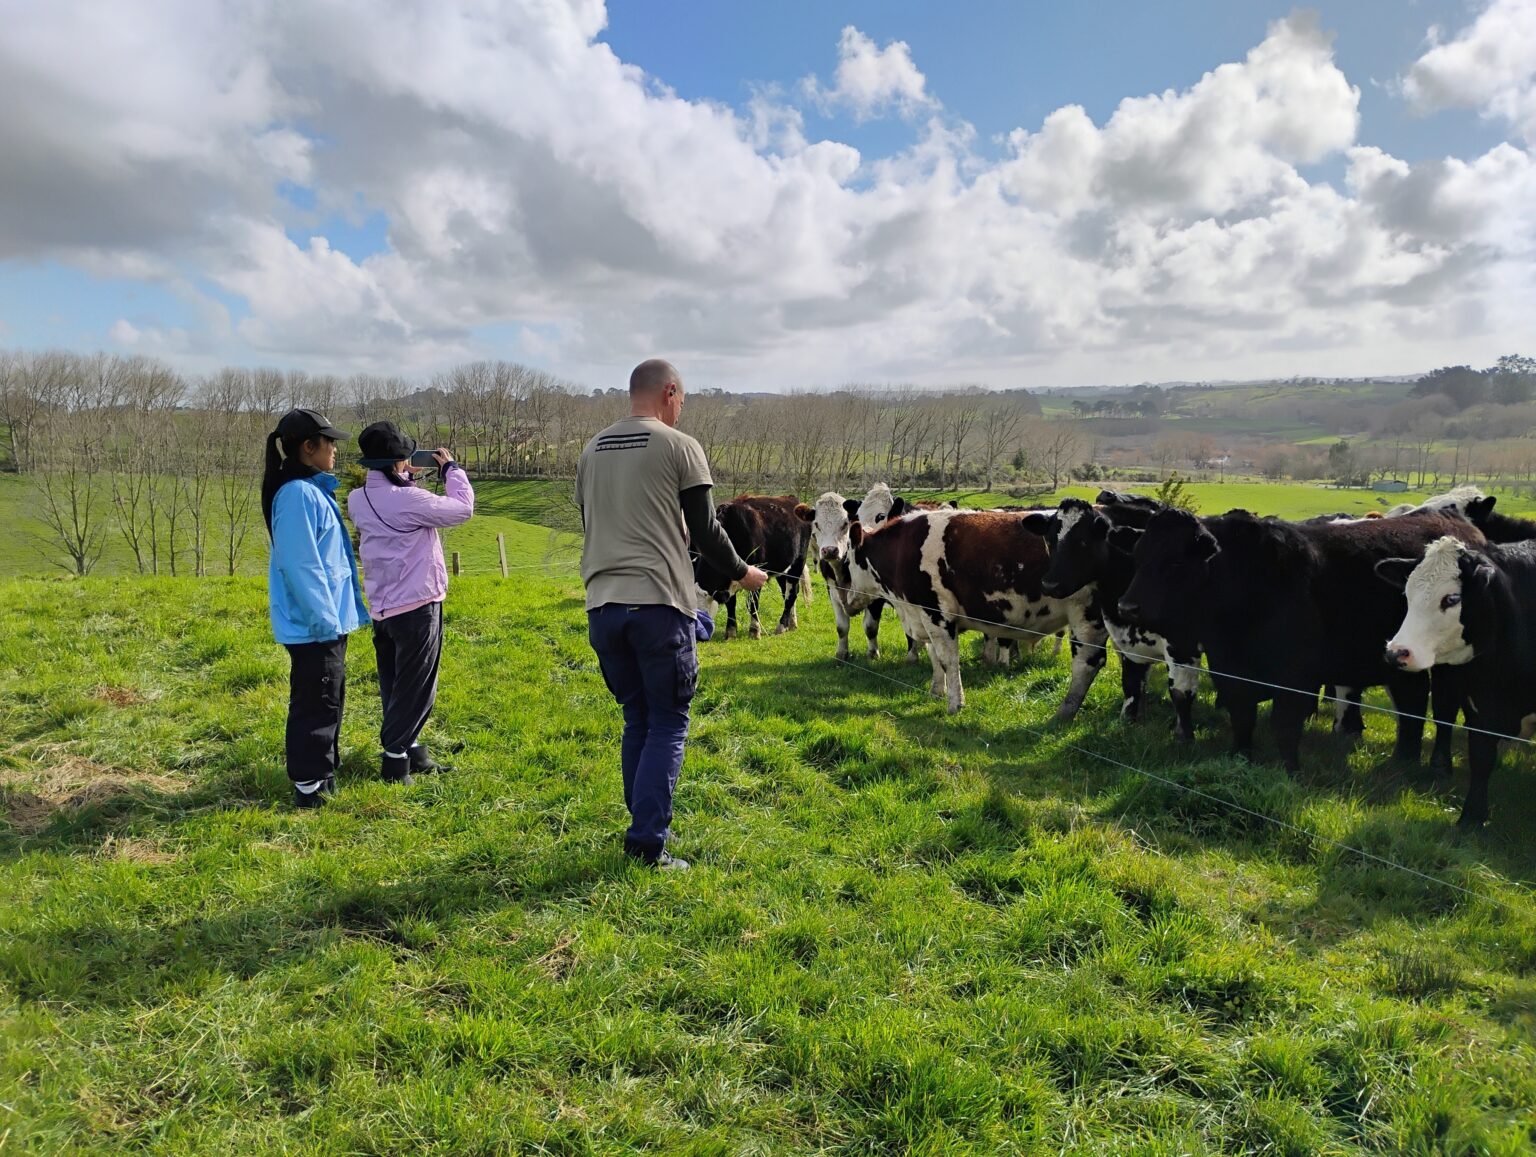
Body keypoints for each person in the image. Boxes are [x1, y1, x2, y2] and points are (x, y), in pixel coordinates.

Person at [576, 358, 768, 870]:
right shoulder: (679, 446)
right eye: (682, 400)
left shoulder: (592, 449)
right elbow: (707, 530)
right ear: (668, 392)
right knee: (668, 723)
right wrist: (743, 573)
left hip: (603, 605)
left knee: (637, 717)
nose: (681, 409)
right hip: (659, 603)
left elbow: (594, 521)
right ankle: (647, 845)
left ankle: (641, 824)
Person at [348, 421, 475, 786]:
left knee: (394, 682)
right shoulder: (409, 500)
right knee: (418, 688)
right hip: (418, 604)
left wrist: (404, 475)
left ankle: (414, 751)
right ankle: (395, 761)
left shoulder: (359, 498)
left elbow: (395, 507)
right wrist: (451, 470)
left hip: (383, 604)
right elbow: (462, 509)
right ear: (399, 460)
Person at [262, 407, 369, 809]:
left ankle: (322, 774)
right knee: (315, 700)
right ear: (309, 448)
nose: (335, 451)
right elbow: (301, 564)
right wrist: (325, 621)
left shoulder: (309, 490)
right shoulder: (296, 495)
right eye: (329, 443)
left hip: (326, 622)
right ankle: (309, 785)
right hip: (315, 625)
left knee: (328, 696)